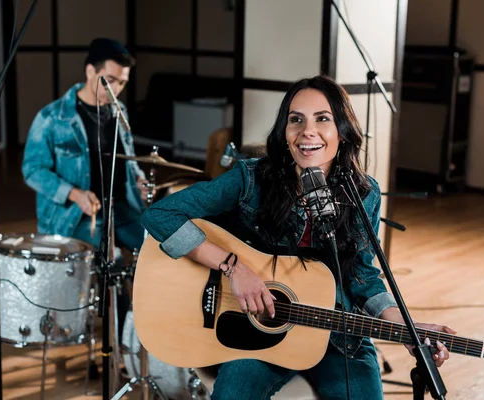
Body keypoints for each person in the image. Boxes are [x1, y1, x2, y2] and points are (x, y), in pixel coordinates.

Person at [141, 75, 455, 399]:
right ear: (285, 131)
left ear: (342, 132)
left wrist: (405, 328)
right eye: (296, 120)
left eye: (323, 119)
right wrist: (233, 267)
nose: (308, 131)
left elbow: (362, 276)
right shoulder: (251, 179)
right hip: (258, 330)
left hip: (337, 335)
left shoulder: (364, 193)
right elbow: (159, 215)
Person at [22, 38, 149, 252]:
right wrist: (75, 194)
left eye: (122, 82)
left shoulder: (120, 111)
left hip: (120, 209)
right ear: (90, 71)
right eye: (110, 81)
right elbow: (32, 170)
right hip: (77, 216)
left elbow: (129, 160)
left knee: (158, 250)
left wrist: (138, 179)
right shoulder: (52, 117)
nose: (116, 90)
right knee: (107, 260)